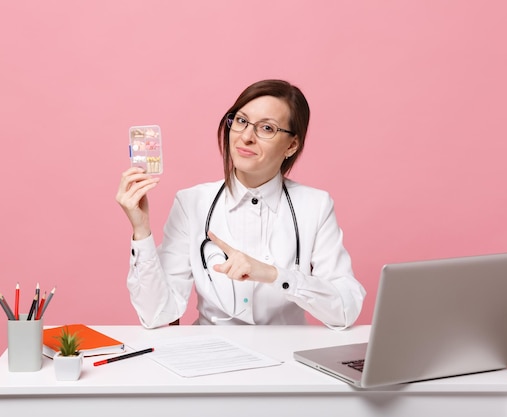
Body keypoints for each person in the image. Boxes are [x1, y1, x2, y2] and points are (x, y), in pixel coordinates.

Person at [116, 79, 366, 329]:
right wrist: (141, 232)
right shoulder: (191, 203)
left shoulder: (315, 205)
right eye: (241, 121)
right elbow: (157, 315)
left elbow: (345, 310)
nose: (246, 137)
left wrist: (274, 275)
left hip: (285, 357)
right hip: (211, 356)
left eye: (267, 128)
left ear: (291, 145)